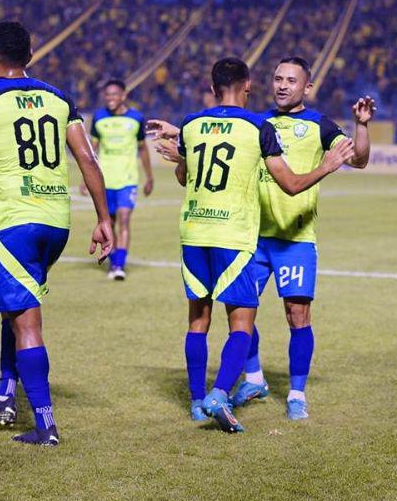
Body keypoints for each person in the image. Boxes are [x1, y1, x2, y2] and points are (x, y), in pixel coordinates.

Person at [0, 22, 114, 447]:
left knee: (27, 322)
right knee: (15, 310)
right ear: (29, 55)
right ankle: (4, 396)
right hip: (56, 222)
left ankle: (45, 425)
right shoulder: (59, 97)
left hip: (15, 222)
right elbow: (87, 158)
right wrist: (104, 218)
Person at [148, 57, 356, 433]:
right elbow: (290, 184)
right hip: (234, 237)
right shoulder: (260, 126)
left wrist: (181, 147)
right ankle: (220, 393)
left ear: (212, 89)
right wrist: (326, 166)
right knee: (242, 322)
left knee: (198, 320)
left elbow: (184, 175)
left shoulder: (193, 125)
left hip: (194, 234)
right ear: (248, 86)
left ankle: (196, 402)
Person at [230, 57, 374, 421]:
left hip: (295, 240)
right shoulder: (258, 122)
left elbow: (358, 160)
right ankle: (255, 378)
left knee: (298, 316)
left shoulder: (318, 125)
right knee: (239, 311)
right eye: (277, 78)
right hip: (254, 237)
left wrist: (361, 126)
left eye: (291, 81)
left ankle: (296, 393)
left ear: (306, 87)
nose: (281, 85)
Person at [86, 79, 154, 280]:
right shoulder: (98, 118)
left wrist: (149, 177)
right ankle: (114, 258)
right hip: (105, 180)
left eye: (114, 94)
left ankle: (118, 265)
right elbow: (92, 150)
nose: (110, 98)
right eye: (107, 95)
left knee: (124, 219)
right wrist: (86, 178)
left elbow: (142, 149)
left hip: (127, 179)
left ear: (123, 95)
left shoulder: (136, 118)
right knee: (110, 222)